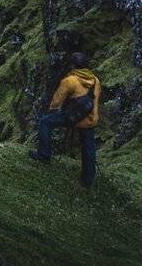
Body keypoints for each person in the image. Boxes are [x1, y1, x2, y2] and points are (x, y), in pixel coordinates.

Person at [28, 53, 99, 187]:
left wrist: (55, 111)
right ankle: (88, 179)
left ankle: (44, 155)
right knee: (89, 147)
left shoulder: (70, 80)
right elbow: (95, 101)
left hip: (71, 117)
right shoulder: (95, 81)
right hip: (89, 119)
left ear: (73, 66)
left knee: (45, 122)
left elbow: (56, 101)